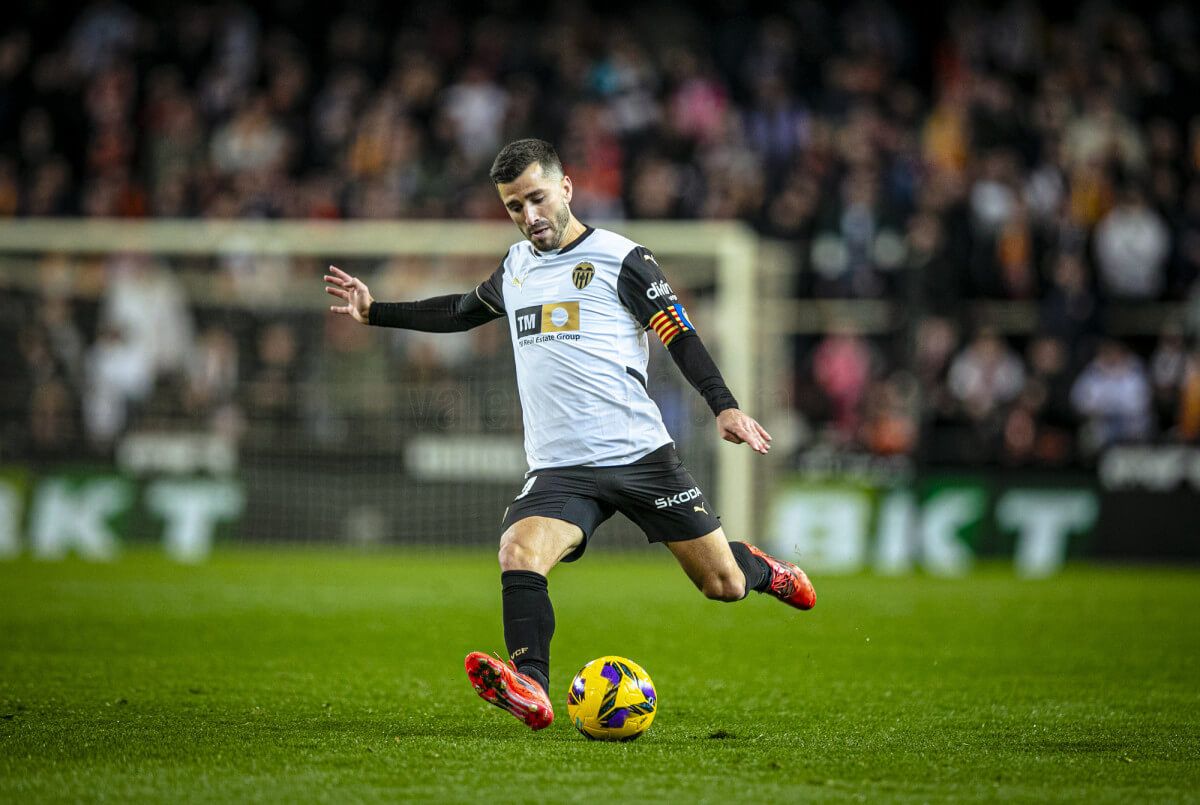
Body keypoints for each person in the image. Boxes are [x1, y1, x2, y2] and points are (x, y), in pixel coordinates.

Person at [323, 139, 814, 731]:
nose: (529, 216)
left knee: (723, 584)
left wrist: (724, 407)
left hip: (641, 457)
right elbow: (458, 312)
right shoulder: (515, 268)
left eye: (537, 198)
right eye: (514, 206)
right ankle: (531, 684)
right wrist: (375, 311)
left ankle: (760, 568)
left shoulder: (623, 258)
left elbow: (678, 333)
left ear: (566, 188)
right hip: (560, 469)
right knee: (518, 552)